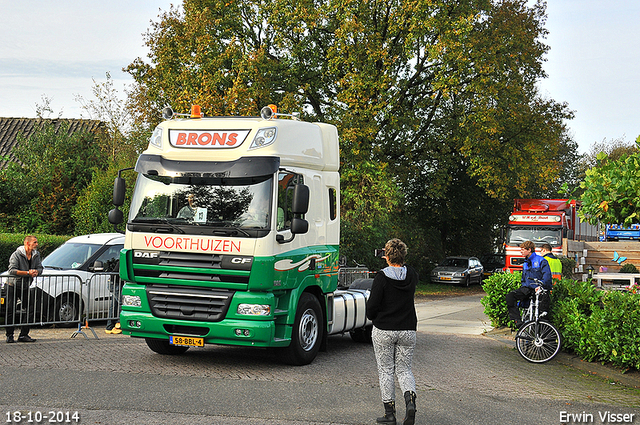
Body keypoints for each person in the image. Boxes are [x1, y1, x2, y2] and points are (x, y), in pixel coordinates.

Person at [366, 238, 419, 425]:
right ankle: (410, 402)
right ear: (404, 255)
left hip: (384, 330)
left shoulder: (381, 277)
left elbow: (372, 306)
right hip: (407, 329)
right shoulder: (412, 274)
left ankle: (390, 414)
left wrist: (373, 316)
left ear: (386, 256)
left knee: (386, 371)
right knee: (405, 370)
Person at [505, 241, 552, 329]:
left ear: (529, 250)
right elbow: (524, 279)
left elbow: (547, 277)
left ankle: (544, 335)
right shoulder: (525, 263)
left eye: (523, 250)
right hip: (527, 289)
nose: (521, 252)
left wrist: (541, 287)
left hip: (539, 290)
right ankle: (517, 321)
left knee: (543, 316)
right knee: (510, 296)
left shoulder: (541, 261)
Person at [5, 235, 43, 343]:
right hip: (13, 284)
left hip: (26, 285)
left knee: (31, 308)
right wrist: (27, 273)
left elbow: (40, 268)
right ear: (27, 243)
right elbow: (12, 270)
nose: (37, 244)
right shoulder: (16, 255)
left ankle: (24, 334)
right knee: (10, 309)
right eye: (34, 242)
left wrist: (37, 272)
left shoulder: (36, 255)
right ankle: (9, 335)